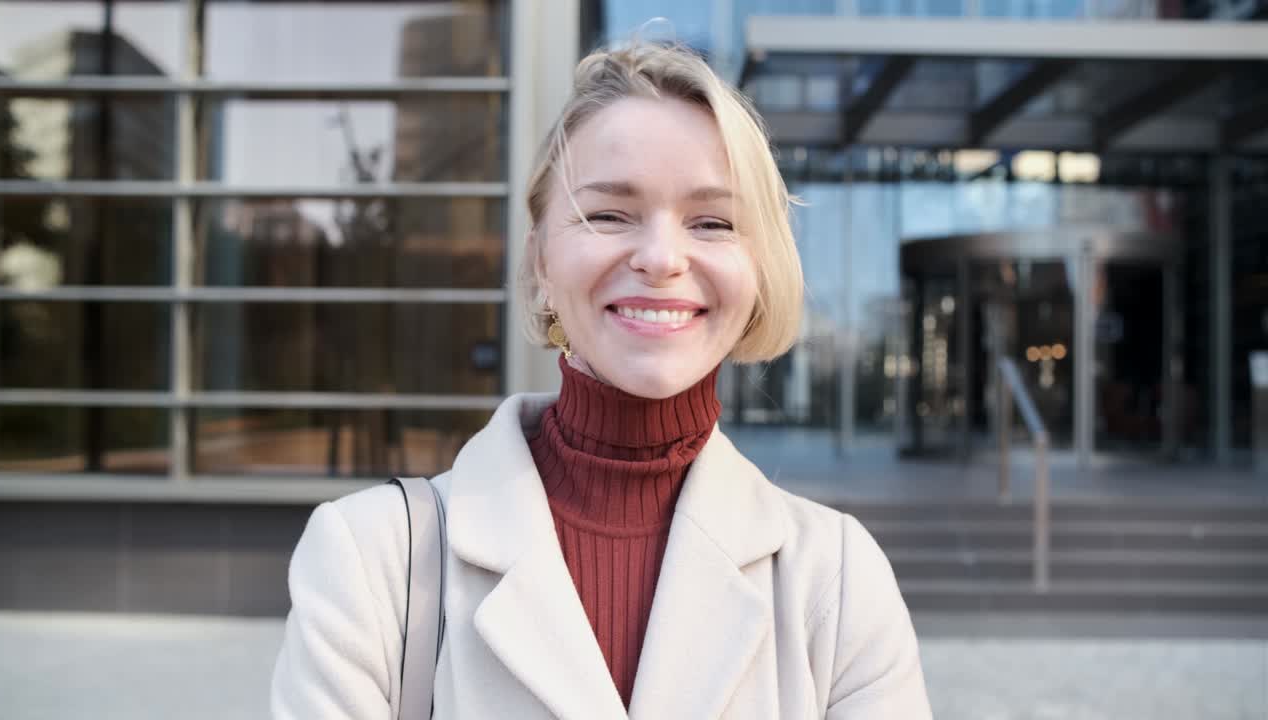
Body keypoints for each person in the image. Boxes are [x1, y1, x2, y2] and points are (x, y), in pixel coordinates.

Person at [271, 42, 932, 719]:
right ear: (541, 260)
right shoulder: (372, 560)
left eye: (713, 222)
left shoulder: (836, 579)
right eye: (610, 214)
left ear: (758, 266)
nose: (660, 258)